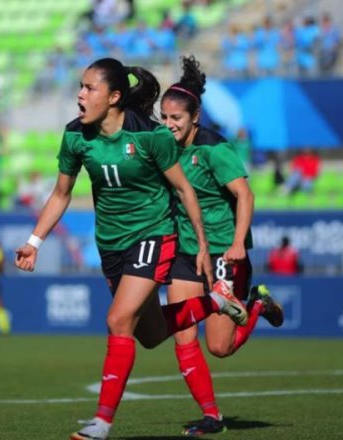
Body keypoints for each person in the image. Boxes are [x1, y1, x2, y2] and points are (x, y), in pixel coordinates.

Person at [13, 57, 248, 440]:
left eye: (90, 88)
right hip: (110, 244)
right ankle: (219, 302)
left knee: (118, 320)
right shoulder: (75, 136)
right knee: (151, 334)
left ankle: (101, 423)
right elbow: (60, 194)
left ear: (115, 96)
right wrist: (34, 241)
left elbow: (185, 190)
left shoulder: (148, 136)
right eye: (81, 86)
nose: (80, 94)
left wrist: (203, 245)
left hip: (153, 235)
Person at [160, 55, 285, 436]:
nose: (169, 125)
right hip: (187, 252)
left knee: (219, 347)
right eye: (164, 118)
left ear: (194, 117)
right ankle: (212, 417)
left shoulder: (215, 149)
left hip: (223, 255)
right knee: (182, 334)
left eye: (176, 119)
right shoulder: (164, 147)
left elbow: (244, 196)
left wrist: (236, 245)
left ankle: (258, 304)